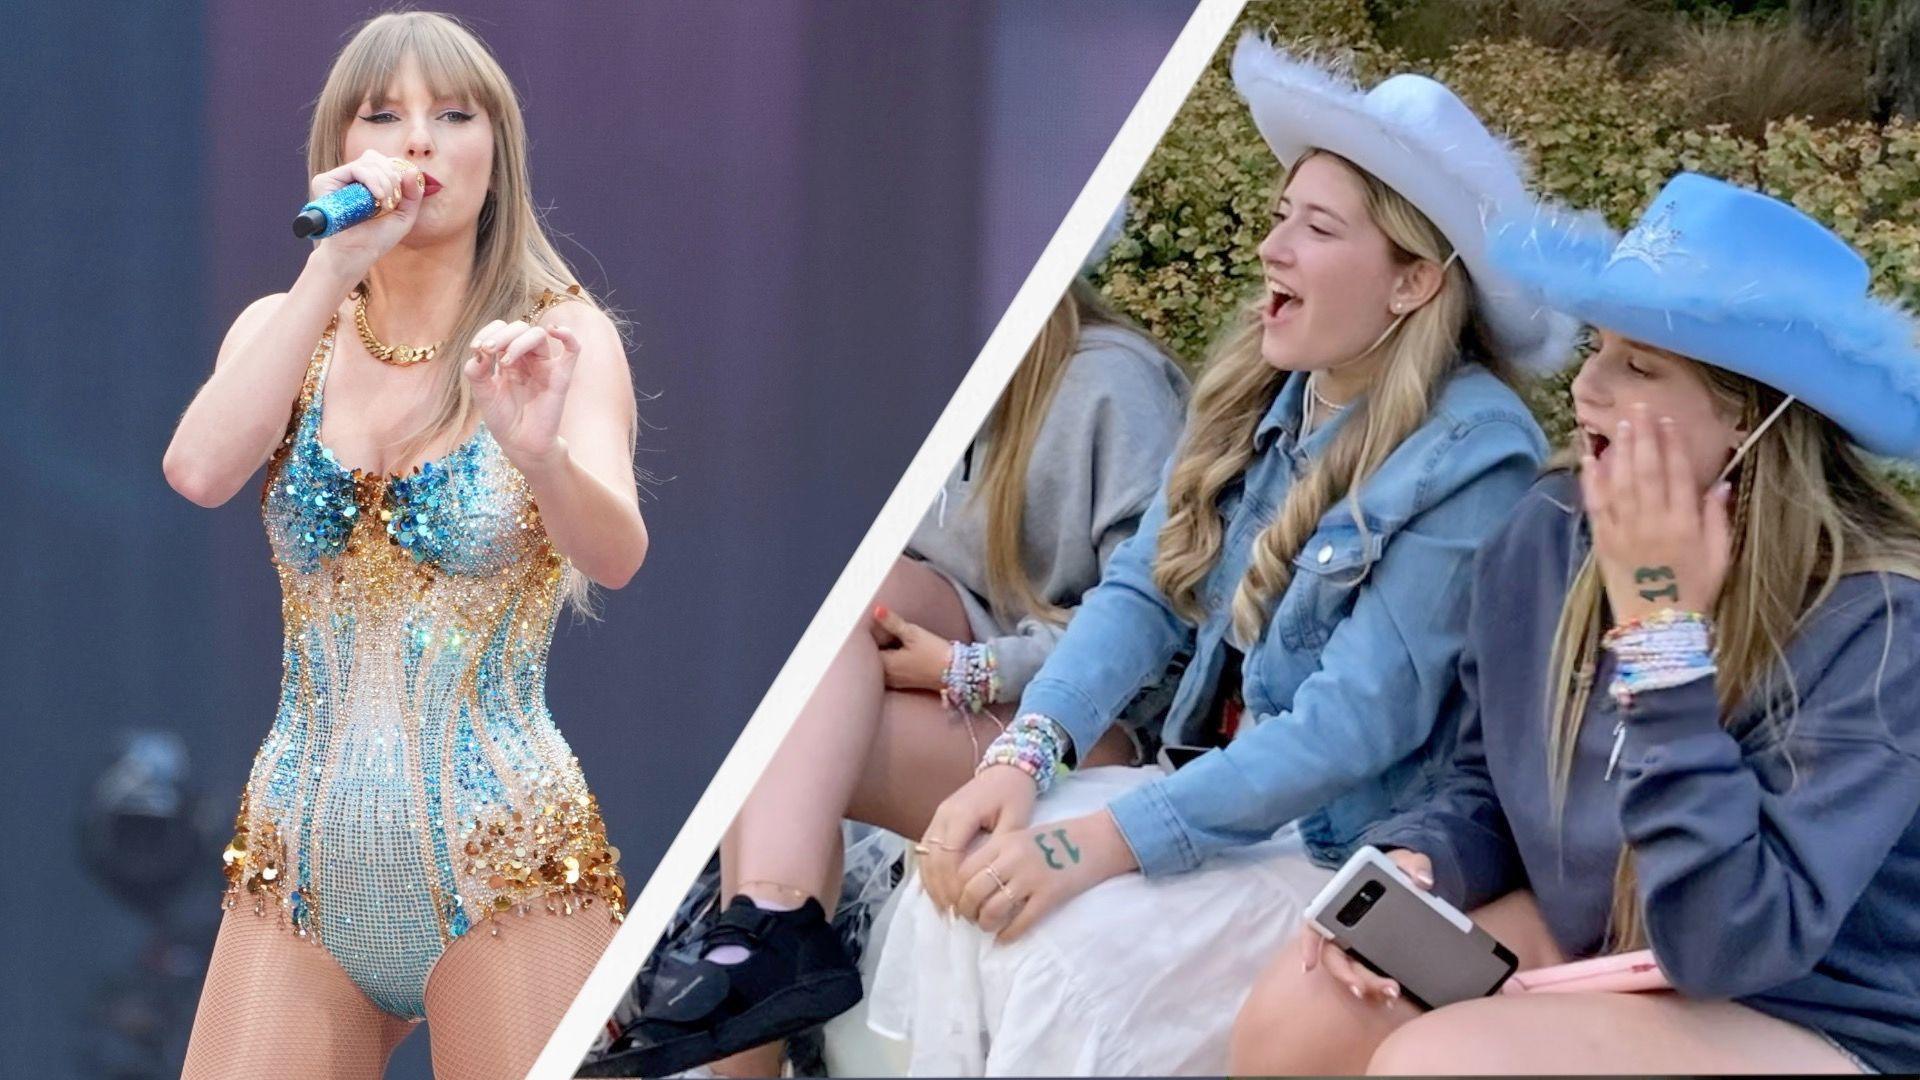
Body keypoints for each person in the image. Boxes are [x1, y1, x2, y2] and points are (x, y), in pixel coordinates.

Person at [862, 36, 1576, 1076]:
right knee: (965, 884)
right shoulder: (1270, 389)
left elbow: (1347, 729)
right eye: (1283, 212)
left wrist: (1097, 843)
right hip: (1205, 791)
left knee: (1067, 956)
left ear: (1414, 282)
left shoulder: (1479, 458)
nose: (1272, 248)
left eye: (1317, 229)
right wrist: (1025, 755)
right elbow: (1139, 595)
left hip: (1336, 846)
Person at [1231, 172, 1920, 1077]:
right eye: (1596, 347)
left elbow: (1731, 940)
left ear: (1751, 416)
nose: (1586, 386)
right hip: (1600, 936)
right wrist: (1421, 858)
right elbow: (1490, 778)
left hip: (1805, 1006)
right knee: (1297, 1022)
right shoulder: (1551, 530)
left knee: (1447, 1063)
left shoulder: (1881, 625)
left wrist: (1661, 631)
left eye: (1639, 365)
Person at [164, 13, 647, 1079]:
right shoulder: (285, 328)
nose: (419, 141)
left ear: (497, 149)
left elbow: (616, 553)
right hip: (298, 865)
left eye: (452, 114)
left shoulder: (557, 337)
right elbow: (198, 471)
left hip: (506, 867)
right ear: (343, 151)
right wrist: (332, 271)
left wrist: (541, 457)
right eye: (385, 115)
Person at [620, 251, 1189, 1078]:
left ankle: (765, 952)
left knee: (788, 734)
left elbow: (1152, 633)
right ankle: (769, 934)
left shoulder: (1115, 388)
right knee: (812, 638)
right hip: (959, 670)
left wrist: (976, 668)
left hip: (1092, 725)